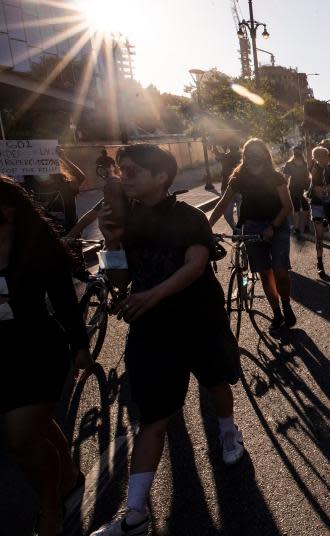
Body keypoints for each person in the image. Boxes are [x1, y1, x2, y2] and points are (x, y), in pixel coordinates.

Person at [89, 145, 244, 536]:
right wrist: (110, 241)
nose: (124, 176)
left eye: (133, 170)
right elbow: (122, 282)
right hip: (153, 330)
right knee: (153, 418)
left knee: (216, 384)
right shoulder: (126, 220)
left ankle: (228, 431)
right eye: (121, 170)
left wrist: (150, 295)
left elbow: (194, 267)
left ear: (160, 176)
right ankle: (135, 514)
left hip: (199, 321)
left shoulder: (188, 216)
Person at [0, 177, 93, 536]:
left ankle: (50, 505)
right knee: (33, 426)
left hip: (37, 349)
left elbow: (64, 300)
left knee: (20, 440)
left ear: (8, 208)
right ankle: (69, 477)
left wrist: (80, 344)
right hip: (1, 355)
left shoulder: (35, 245)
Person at [208, 139, 295, 333]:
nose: (254, 157)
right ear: (245, 156)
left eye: (258, 152)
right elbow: (223, 204)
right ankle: (277, 313)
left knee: (280, 272)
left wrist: (273, 226)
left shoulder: (276, 177)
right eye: (250, 153)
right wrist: (205, 227)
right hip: (252, 226)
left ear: (265, 154)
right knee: (265, 273)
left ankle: (286, 304)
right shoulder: (239, 178)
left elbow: (288, 206)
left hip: (277, 225)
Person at [308, 145, 330, 278]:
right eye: (319, 156)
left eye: (325, 156)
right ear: (315, 158)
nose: (323, 158)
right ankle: (320, 263)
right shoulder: (314, 169)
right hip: (317, 204)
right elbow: (308, 151)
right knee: (319, 236)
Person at [282, 145, 311, 238]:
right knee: (298, 208)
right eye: (296, 151)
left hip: (303, 188)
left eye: (297, 151)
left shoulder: (303, 163)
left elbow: (308, 176)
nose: (296, 153)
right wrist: (284, 190)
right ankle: (298, 228)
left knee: (304, 207)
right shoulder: (290, 164)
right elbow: (285, 179)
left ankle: (302, 227)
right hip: (295, 188)